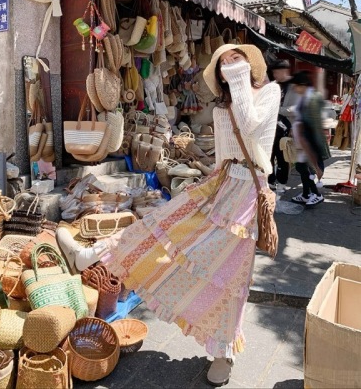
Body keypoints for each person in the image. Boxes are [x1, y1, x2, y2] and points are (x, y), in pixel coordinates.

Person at [56, 44, 280, 387]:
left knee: (229, 273)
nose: (230, 66)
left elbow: (251, 128)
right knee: (161, 226)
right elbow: (224, 155)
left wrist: (237, 79)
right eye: (223, 64)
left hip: (247, 195)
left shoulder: (269, 93)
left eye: (236, 59)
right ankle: (95, 253)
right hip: (220, 185)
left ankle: (224, 352)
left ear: (250, 63)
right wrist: (202, 171)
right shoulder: (223, 107)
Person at [290, 70, 331, 206]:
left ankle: (316, 194)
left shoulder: (313, 98)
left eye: (296, 86)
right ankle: (307, 193)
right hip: (302, 140)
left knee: (309, 169)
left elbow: (314, 125)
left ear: (302, 85)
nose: (294, 89)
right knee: (301, 168)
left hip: (310, 141)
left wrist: (314, 149)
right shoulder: (304, 97)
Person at [267, 60, 297, 192]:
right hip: (270, 125)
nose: (274, 75)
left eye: (276, 72)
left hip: (287, 126)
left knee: (283, 155)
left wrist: (278, 109)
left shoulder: (295, 85)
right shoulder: (272, 85)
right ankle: (270, 180)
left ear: (284, 70)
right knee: (269, 153)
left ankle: (282, 182)